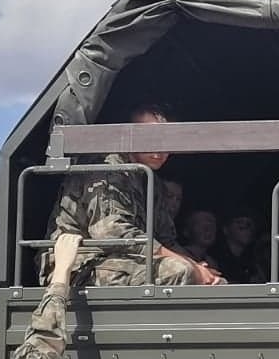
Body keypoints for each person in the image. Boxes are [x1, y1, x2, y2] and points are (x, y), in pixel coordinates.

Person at [40, 103, 222, 287]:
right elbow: (113, 234)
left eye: (166, 142)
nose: (159, 151)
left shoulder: (151, 180)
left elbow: (166, 238)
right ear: (129, 136)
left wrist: (197, 266)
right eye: (149, 140)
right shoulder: (107, 169)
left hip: (123, 260)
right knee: (181, 271)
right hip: (80, 264)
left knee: (211, 278)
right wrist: (189, 266)